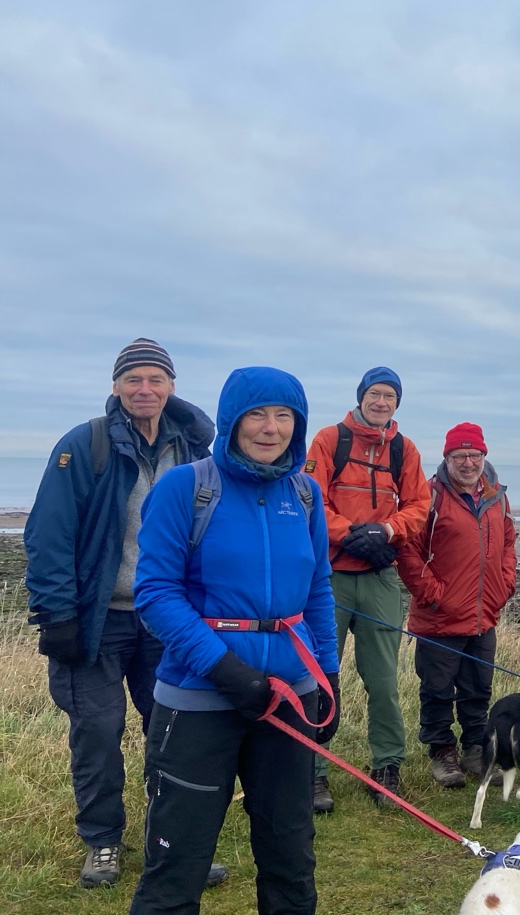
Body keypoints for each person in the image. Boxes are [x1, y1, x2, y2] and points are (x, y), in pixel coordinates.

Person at [129, 366, 340, 913]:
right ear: (231, 420)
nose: (271, 428)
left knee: (291, 855)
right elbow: (155, 593)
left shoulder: (306, 494)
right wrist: (224, 669)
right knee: (178, 863)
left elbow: (317, 589)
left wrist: (328, 674)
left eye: (284, 416)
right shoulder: (186, 488)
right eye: (257, 414)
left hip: (289, 696)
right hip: (198, 701)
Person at [23, 339, 226, 889]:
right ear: (115, 386)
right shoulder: (85, 445)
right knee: (98, 731)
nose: (144, 389)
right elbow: (48, 533)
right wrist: (57, 615)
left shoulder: (196, 450)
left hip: (170, 619)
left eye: (155, 379)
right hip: (97, 620)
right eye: (133, 379)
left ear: (172, 386)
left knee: (175, 732)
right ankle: (102, 841)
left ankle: (173, 841)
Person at [303, 367, 429, 812]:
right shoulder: (328, 440)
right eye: (374, 394)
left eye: (389, 396)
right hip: (329, 578)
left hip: (379, 577)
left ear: (397, 403)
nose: (381, 402)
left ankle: (387, 767)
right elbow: (310, 498)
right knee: (318, 676)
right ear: (361, 397)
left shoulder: (404, 450)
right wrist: (349, 533)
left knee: (383, 680)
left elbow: (419, 505)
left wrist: (386, 532)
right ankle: (312, 770)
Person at [396, 422, 517, 789]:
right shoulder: (428, 496)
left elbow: (508, 543)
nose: (468, 462)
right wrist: (434, 593)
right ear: (447, 457)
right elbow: (407, 550)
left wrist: (504, 585)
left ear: (484, 456)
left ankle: (476, 750)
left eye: (474, 455)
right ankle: (442, 752)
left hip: (483, 614)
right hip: (439, 617)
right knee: (437, 689)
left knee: (478, 688)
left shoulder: (497, 497)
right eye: (460, 455)